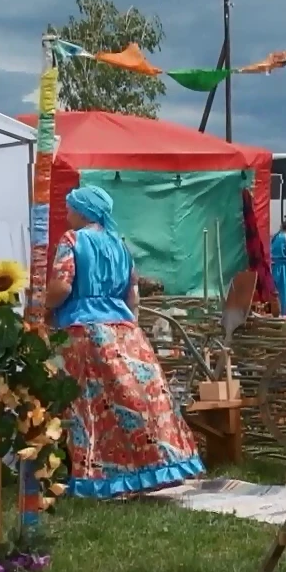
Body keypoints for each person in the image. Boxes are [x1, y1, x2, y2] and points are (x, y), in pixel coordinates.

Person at [45, 185, 204, 499]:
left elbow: (62, 287)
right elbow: (133, 295)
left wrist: (42, 304)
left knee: (92, 407)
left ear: (83, 211)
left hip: (85, 331)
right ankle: (160, 465)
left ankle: (99, 476)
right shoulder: (119, 244)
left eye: (70, 208)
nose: (67, 214)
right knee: (140, 398)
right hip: (126, 330)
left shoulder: (72, 241)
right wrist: (125, 322)